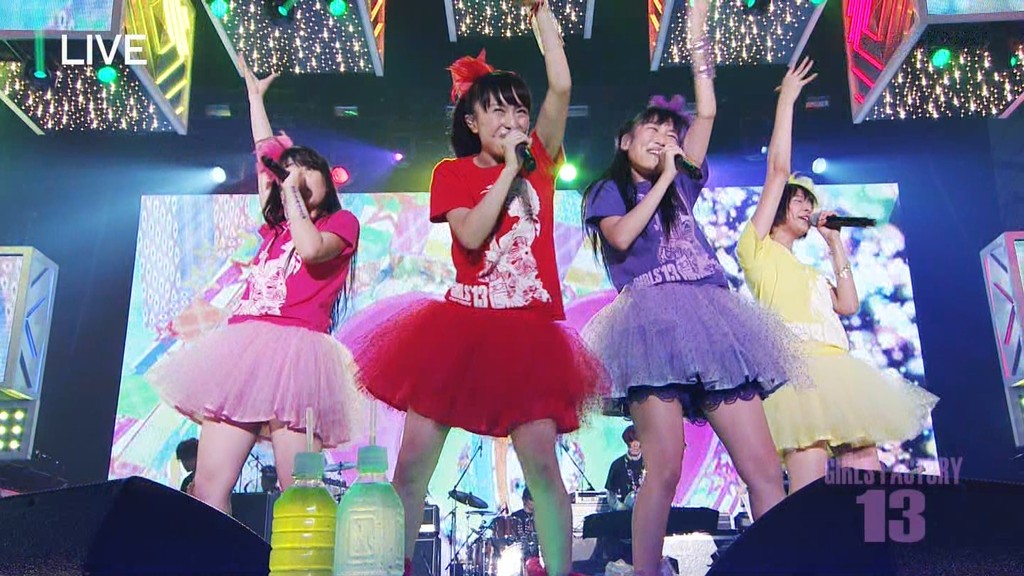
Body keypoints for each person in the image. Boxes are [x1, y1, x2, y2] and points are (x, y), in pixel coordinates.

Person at [354, 3, 605, 575]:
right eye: (498, 110)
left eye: (519, 109)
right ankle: (395, 567)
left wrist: (545, 24)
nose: (512, 119)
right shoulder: (454, 173)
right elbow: (469, 234)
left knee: (543, 469)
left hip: (529, 333)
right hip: (460, 330)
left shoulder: (540, 161)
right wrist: (509, 172)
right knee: (411, 467)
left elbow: (562, 86)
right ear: (472, 121)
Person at [580, 2, 794, 573]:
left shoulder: (682, 183)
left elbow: (708, 110)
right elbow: (622, 236)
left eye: (669, 131)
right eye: (651, 129)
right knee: (666, 469)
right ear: (624, 141)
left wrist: (696, 32)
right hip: (651, 326)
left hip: (712, 319)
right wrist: (668, 178)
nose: (663, 137)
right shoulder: (608, 191)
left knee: (764, 470)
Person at [149, 55, 362, 514]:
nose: (294, 175)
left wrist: (291, 192)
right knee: (208, 487)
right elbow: (267, 154)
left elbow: (311, 250)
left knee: (299, 489)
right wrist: (254, 98)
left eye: (307, 169)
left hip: (299, 357)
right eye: (291, 170)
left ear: (327, 181)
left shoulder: (341, 223)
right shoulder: (273, 228)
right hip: (243, 351)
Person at [737, 59, 939, 494]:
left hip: (839, 370)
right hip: (797, 374)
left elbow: (848, 304)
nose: (808, 209)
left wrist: (834, 243)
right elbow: (777, 170)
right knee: (808, 486)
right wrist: (787, 101)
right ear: (778, 206)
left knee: (867, 477)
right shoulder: (756, 251)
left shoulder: (810, 272)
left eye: (810, 203)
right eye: (799, 201)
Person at [605, 425, 644, 510]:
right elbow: (611, 495)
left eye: (638, 440)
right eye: (631, 441)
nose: (635, 445)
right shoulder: (617, 465)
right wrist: (619, 507)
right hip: (625, 511)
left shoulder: (651, 463)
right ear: (627, 442)